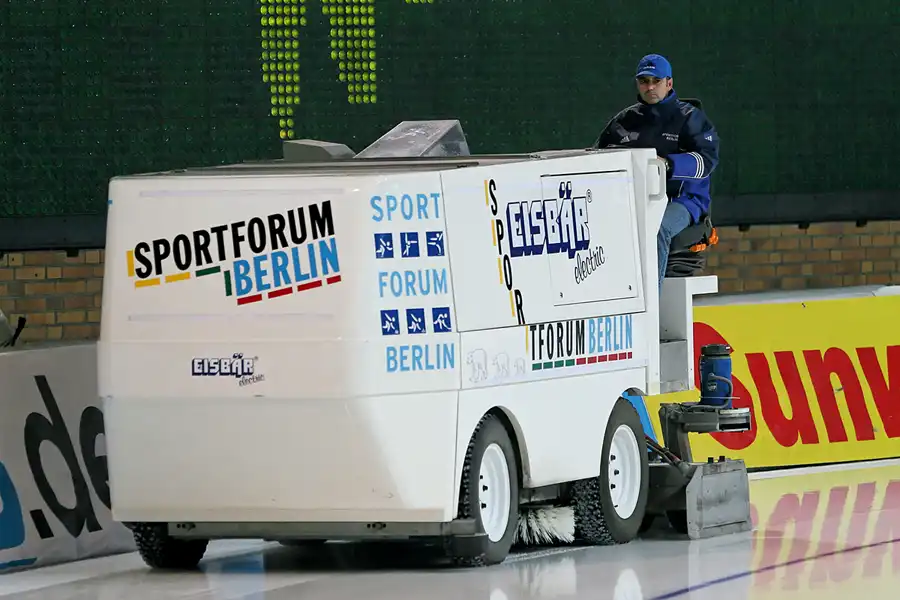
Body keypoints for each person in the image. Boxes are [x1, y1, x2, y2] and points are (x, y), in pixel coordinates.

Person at [592, 53, 720, 294]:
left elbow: (707, 160)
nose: (650, 87)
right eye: (644, 81)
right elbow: (597, 155)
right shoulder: (625, 120)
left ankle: (650, 309)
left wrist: (669, 165)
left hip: (683, 201)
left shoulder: (691, 118)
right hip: (632, 200)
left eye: (656, 81)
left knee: (656, 228)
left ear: (669, 83)